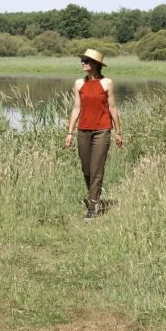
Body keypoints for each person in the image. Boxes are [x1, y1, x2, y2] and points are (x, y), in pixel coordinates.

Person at [63, 48, 123, 219]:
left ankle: (92, 208)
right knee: (86, 169)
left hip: (102, 131)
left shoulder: (107, 83)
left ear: (96, 64)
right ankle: (94, 197)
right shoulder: (78, 84)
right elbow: (76, 107)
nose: (83, 63)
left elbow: (112, 108)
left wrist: (118, 132)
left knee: (96, 169)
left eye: (86, 60)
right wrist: (70, 132)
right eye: (82, 60)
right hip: (83, 131)